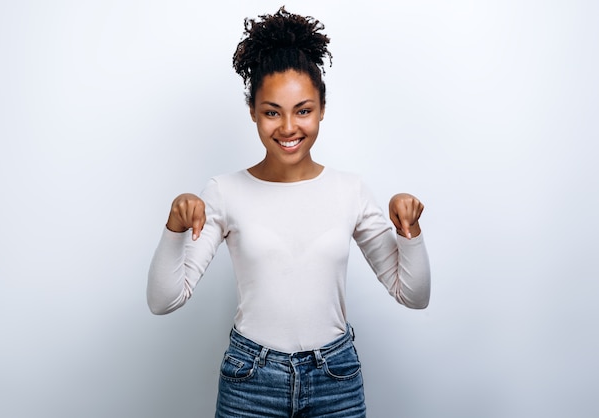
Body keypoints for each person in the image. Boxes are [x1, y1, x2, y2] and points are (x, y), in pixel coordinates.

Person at [147, 7, 431, 417]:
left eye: (302, 110)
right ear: (253, 113)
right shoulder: (225, 192)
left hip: (336, 379)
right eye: (271, 112)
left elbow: (413, 295)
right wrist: (174, 228)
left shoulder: (349, 191)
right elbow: (164, 300)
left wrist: (411, 232)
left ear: (321, 109)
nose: (287, 128)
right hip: (251, 382)